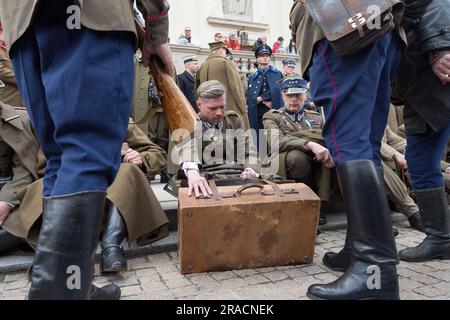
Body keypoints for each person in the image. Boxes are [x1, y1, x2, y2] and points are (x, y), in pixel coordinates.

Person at [0, 0, 173, 300]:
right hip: (91, 16)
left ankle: (71, 285)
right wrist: (156, 27)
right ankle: (57, 295)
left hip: (22, 27)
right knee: (86, 153)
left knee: (62, 156)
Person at [290, 0, 406, 300]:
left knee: (350, 142)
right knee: (364, 143)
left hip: (343, 27)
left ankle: (374, 271)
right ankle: (360, 248)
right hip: (378, 23)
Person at [392, 0, 450, 263]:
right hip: (420, 94)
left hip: (431, 93)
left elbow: (436, 3)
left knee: (422, 163)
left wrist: (439, 48)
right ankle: (441, 238)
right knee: (420, 162)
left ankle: (440, 239)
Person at [263, 76, 334, 225]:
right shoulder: (273, 116)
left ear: (305, 96)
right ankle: (304, 199)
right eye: (289, 95)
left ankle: (321, 203)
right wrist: (309, 144)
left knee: (325, 154)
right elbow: (276, 142)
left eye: (298, 95)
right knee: (297, 159)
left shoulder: (316, 117)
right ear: (283, 96)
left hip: (316, 159)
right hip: (287, 157)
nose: (293, 99)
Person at [177, 80, 260, 198]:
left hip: (239, 176)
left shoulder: (233, 120)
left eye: (222, 107)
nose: (219, 113)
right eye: (213, 108)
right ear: (199, 104)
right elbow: (188, 149)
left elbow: (248, 151)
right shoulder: (192, 123)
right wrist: (193, 173)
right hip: (211, 178)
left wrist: (250, 169)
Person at [196, 41, 250, 130]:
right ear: (221, 50)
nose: (225, 54)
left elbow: (197, 92)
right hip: (228, 114)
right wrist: (243, 108)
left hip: (208, 115)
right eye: (225, 51)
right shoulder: (226, 63)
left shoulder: (202, 67)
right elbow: (237, 88)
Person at [247, 45, 283, 148]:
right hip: (258, 111)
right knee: (260, 133)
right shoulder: (253, 77)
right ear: (257, 58)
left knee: (273, 132)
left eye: (267, 55)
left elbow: (277, 89)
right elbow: (250, 95)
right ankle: (263, 157)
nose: (265, 58)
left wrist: (262, 98)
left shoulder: (277, 74)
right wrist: (259, 101)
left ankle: (275, 155)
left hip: (272, 108)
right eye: (262, 56)